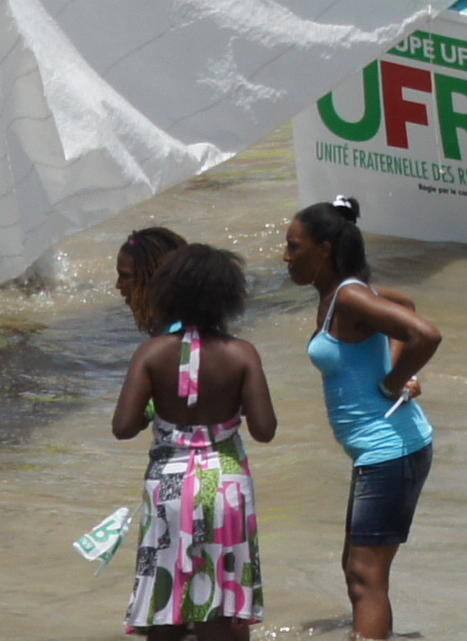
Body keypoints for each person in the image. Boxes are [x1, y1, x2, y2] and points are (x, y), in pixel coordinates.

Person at [284, 199, 442, 639]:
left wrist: (395, 381)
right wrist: (397, 373)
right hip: (381, 451)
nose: (285, 257)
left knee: (364, 576)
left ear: (325, 248)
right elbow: (404, 305)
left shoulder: (350, 295)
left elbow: (425, 333)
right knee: (358, 571)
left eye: (294, 247)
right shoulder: (343, 295)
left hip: (390, 450)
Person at [111, 243, 271, 641]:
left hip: (169, 484)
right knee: (222, 604)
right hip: (226, 485)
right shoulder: (242, 354)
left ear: (168, 292)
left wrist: (159, 414)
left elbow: (123, 425)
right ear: (228, 296)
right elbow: (265, 429)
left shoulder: (151, 353)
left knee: (167, 601)